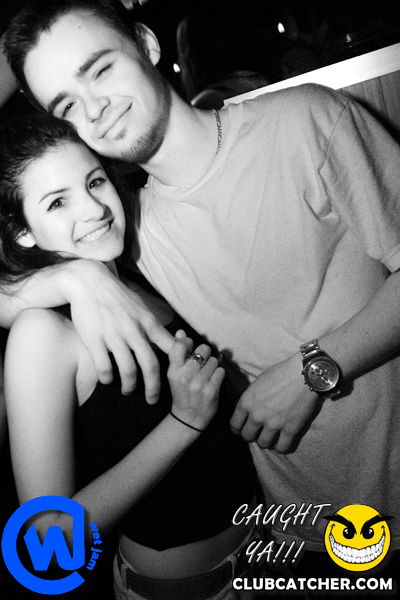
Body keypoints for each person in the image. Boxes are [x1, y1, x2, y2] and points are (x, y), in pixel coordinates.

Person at [3, 0, 400, 568]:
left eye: (101, 69)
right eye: (66, 104)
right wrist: (76, 276)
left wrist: (312, 371)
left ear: (147, 44)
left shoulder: (305, 121)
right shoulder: (125, 226)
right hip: (291, 524)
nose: (94, 109)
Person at [0, 113, 258, 599]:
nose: (95, 209)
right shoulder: (41, 333)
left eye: (95, 181)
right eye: (57, 201)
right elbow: (49, 536)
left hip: (262, 549)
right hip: (185, 588)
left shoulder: (133, 274)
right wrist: (183, 423)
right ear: (22, 232)